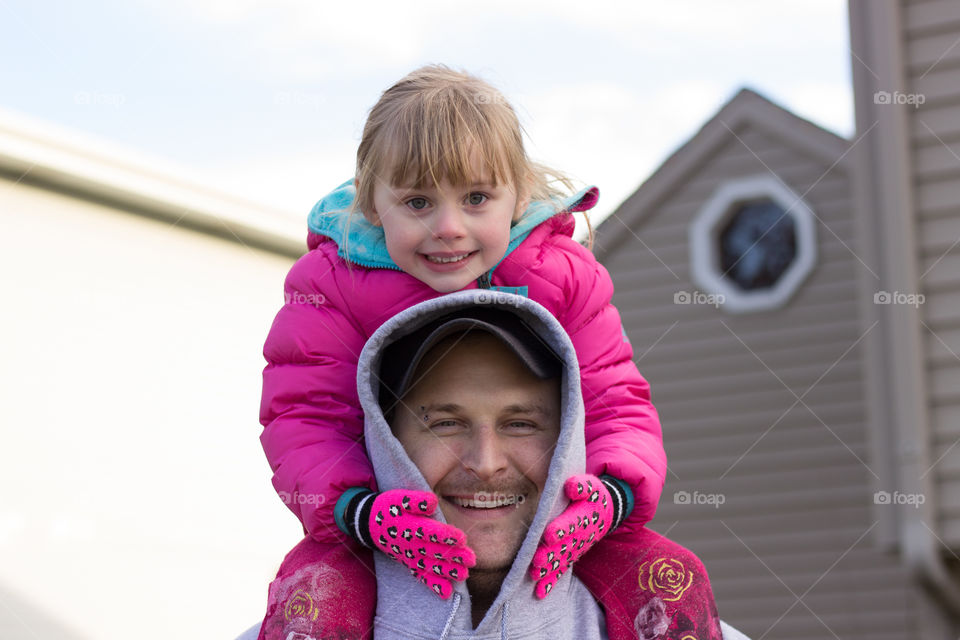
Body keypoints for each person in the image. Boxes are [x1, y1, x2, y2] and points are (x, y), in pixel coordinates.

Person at [259, 64, 666, 602]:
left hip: (548, 514)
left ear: (518, 197)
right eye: (418, 202)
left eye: (476, 198)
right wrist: (356, 509)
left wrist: (610, 495)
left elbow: (618, 401)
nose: (447, 227)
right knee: (318, 595)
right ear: (372, 203)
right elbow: (303, 414)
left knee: (665, 577)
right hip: (389, 519)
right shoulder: (332, 283)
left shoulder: (564, 276)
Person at [257, 292, 724, 640]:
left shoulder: (677, 619)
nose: (484, 463)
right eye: (444, 423)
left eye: (520, 424)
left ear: (569, 440)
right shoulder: (301, 622)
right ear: (384, 442)